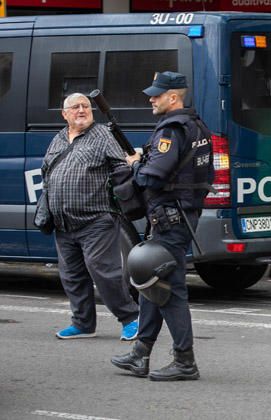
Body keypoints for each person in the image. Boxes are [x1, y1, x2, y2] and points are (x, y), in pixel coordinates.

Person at [111, 71, 214, 381]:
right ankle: (140, 353)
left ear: (174, 97)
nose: (151, 98)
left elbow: (151, 177)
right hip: (180, 215)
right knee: (150, 284)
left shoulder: (171, 130)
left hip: (170, 219)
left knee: (170, 291)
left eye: (157, 94)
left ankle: (185, 361)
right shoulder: (197, 125)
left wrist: (136, 163)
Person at [44, 93, 139, 341]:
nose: (82, 110)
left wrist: (129, 169)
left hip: (96, 220)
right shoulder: (58, 139)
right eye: (75, 107)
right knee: (72, 276)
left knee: (104, 272)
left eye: (86, 106)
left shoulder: (102, 136)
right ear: (64, 114)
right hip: (64, 224)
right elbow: (47, 171)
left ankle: (130, 318)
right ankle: (83, 323)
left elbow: (121, 167)